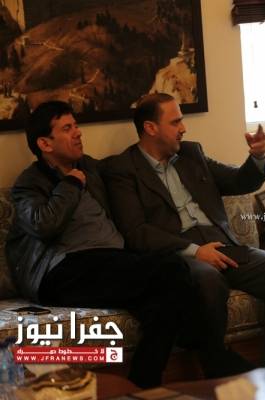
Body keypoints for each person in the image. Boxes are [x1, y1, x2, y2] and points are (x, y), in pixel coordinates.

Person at [101, 93, 265, 375]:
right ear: (150, 128)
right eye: (175, 122)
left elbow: (238, 181)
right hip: (179, 256)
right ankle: (216, 368)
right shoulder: (122, 169)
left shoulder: (191, 154)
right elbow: (136, 231)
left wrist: (258, 156)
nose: (184, 128)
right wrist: (195, 251)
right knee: (208, 279)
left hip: (222, 246)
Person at [5, 101, 205, 388]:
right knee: (172, 272)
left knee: (163, 298)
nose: (78, 133)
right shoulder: (30, 182)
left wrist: (168, 152)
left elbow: (129, 168)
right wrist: (70, 185)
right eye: (67, 128)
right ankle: (178, 369)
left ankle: (141, 386)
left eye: (76, 126)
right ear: (45, 144)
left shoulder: (91, 167)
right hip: (62, 270)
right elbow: (42, 224)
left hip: (109, 261)